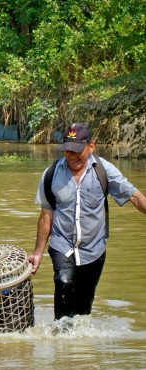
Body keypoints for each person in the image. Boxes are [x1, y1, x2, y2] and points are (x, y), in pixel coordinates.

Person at [28, 123, 146, 321]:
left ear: (91, 147)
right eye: (67, 151)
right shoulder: (51, 174)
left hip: (94, 249)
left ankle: (79, 349)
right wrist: (37, 253)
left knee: (83, 309)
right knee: (64, 282)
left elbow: (135, 197)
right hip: (61, 244)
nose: (72, 157)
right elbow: (46, 216)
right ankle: (61, 336)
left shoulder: (104, 171)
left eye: (77, 151)